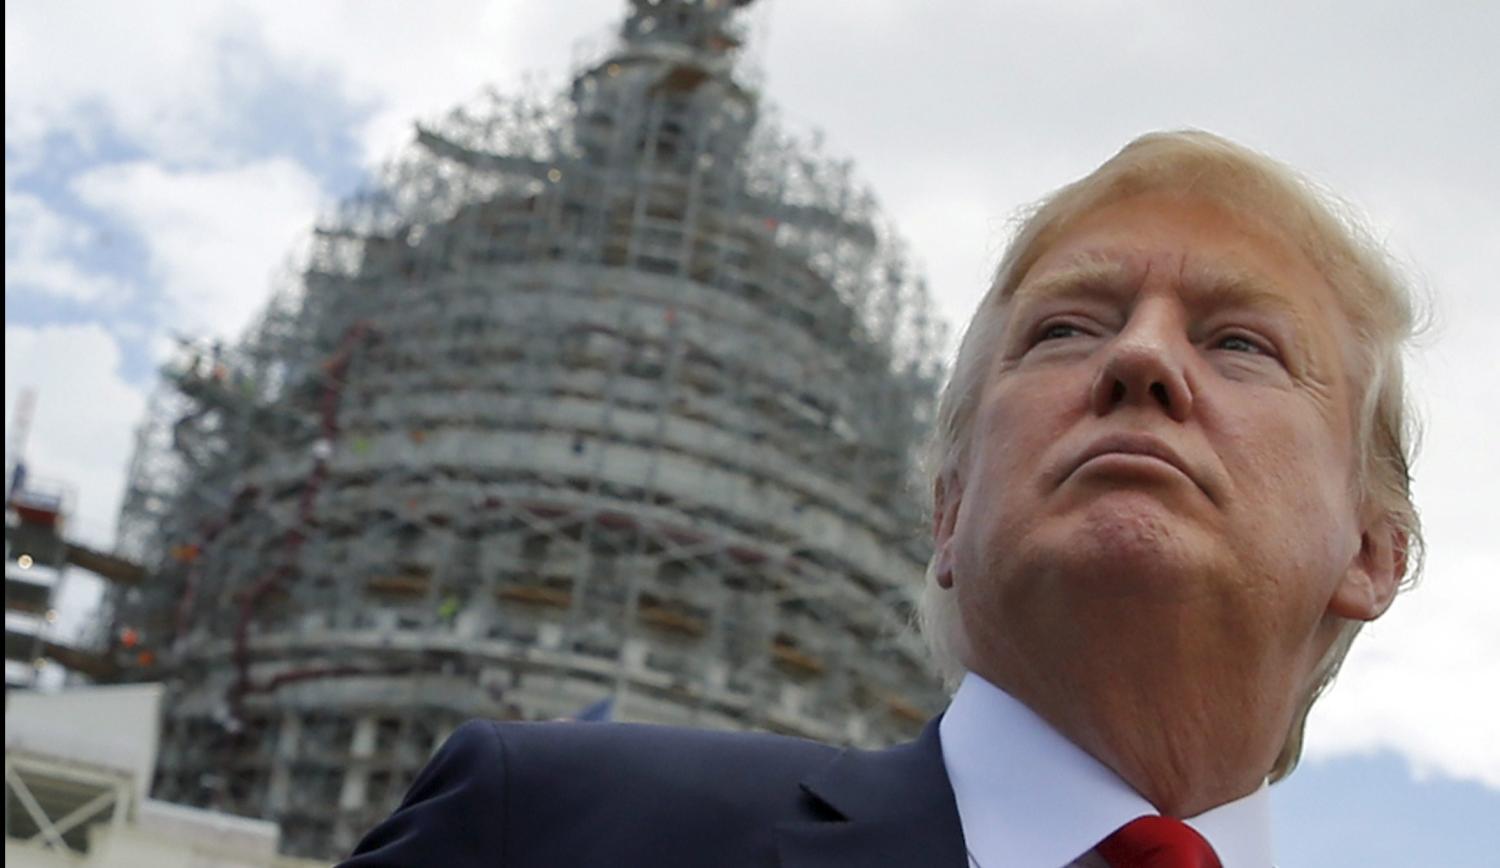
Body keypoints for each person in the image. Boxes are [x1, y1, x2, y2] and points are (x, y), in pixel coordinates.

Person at [341, 130, 1421, 867]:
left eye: (1240, 341)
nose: (1140, 358)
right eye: (1065, 327)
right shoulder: (540, 829)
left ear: (1374, 550)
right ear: (945, 512)